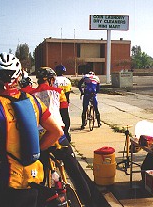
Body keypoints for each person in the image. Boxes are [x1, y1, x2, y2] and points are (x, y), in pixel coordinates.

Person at [0, 53, 63, 207]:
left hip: (8, 184)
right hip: (35, 180)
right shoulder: (34, 101)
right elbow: (57, 132)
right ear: (18, 77)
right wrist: (36, 150)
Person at [29, 67, 93, 206]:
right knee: (76, 174)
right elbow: (65, 117)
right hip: (58, 137)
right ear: (52, 80)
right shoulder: (59, 92)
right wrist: (67, 134)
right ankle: (88, 201)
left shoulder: (31, 95)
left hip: (40, 140)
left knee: (39, 178)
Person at [53, 64, 72, 141]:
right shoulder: (67, 80)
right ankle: (66, 134)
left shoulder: (53, 80)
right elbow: (68, 92)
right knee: (66, 118)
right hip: (64, 102)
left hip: (55, 102)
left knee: (56, 119)